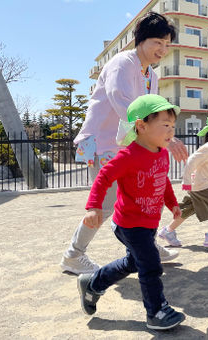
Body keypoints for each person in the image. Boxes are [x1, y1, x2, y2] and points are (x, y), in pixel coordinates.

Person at [61, 12, 188, 275]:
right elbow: (127, 108)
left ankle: (146, 248)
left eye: (167, 44)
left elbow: (153, 111)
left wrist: (162, 137)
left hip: (127, 144)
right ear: (140, 40)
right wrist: (167, 138)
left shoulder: (151, 75)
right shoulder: (122, 63)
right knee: (107, 204)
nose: (162, 49)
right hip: (102, 142)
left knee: (138, 199)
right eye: (157, 42)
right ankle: (73, 255)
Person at [77, 94, 185, 330]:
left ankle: (92, 284)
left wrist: (172, 203)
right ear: (141, 126)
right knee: (151, 265)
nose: (170, 132)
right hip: (129, 224)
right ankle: (156, 312)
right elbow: (104, 177)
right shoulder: (128, 155)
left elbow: (163, 179)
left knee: (133, 262)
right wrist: (93, 206)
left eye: (173, 126)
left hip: (149, 223)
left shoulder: (162, 152)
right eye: (165, 125)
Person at [158, 112, 208, 248]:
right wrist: (186, 181)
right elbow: (191, 161)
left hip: (200, 185)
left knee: (190, 208)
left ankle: (168, 231)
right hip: (200, 184)